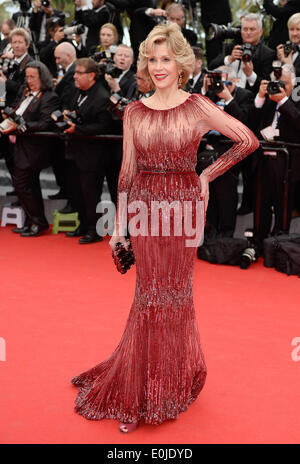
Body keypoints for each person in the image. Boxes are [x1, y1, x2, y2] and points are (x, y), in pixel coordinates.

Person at [70, 22, 259, 432]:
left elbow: (247, 140)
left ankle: (167, 383)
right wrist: (119, 228)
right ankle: (143, 390)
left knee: (175, 297)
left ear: (180, 63)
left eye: (166, 59)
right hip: (143, 211)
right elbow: (125, 174)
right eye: (152, 59)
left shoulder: (196, 106)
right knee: (149, 296)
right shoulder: (135, 112)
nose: (158, 67)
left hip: (183, 210)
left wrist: (207, 175)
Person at [249, 64, 300, 252]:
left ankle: (279, 247)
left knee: (282, 207)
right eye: (275, 83)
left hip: (286, 164)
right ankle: (259, 242)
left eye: (284, 83)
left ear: (293, 84)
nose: (278, 86)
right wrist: (260, 98)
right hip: (263, 162)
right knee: (261, 204)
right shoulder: (268, 100)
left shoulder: (295, 100)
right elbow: (250, 123)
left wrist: (284, 101)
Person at [63, 57, 113, 244]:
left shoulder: (101, 97)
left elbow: (103, 126)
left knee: (91, 193)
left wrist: (78, 129)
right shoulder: (77, 92)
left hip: (93, 155)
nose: (74, 76)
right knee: (77, 191)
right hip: (75, 151)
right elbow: (76, 111)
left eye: (79, 73)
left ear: (91, 75)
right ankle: (83, 224)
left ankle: (94, 230)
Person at [8, 61, 60, 237]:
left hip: (35, 148)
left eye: (33, 77)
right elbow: (17, 111)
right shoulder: (26, 93)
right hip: (21, 146)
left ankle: (37, 221)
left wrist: (23, 125)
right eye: (27, 76)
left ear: (42, 77)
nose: (29, 80)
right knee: (29, 185)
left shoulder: (49, 97)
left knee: (20, 183)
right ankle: (34, 221)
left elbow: (46, 123)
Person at [209, 13, 275, 95]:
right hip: (225, 95)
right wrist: (229, 59)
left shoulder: (267, 53)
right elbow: (211, 67)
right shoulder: (232, 47)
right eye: (245, 29)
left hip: (250, 101)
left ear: (260, 32)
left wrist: (250, 75)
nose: (248, 32)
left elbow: (268, 86)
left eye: (252, 29)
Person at [276, 12, 300, 77]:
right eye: (291, 29)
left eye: (298, 29)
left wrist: (289, 65)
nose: (294, 33)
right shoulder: (286, 48)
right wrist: (279, 61)